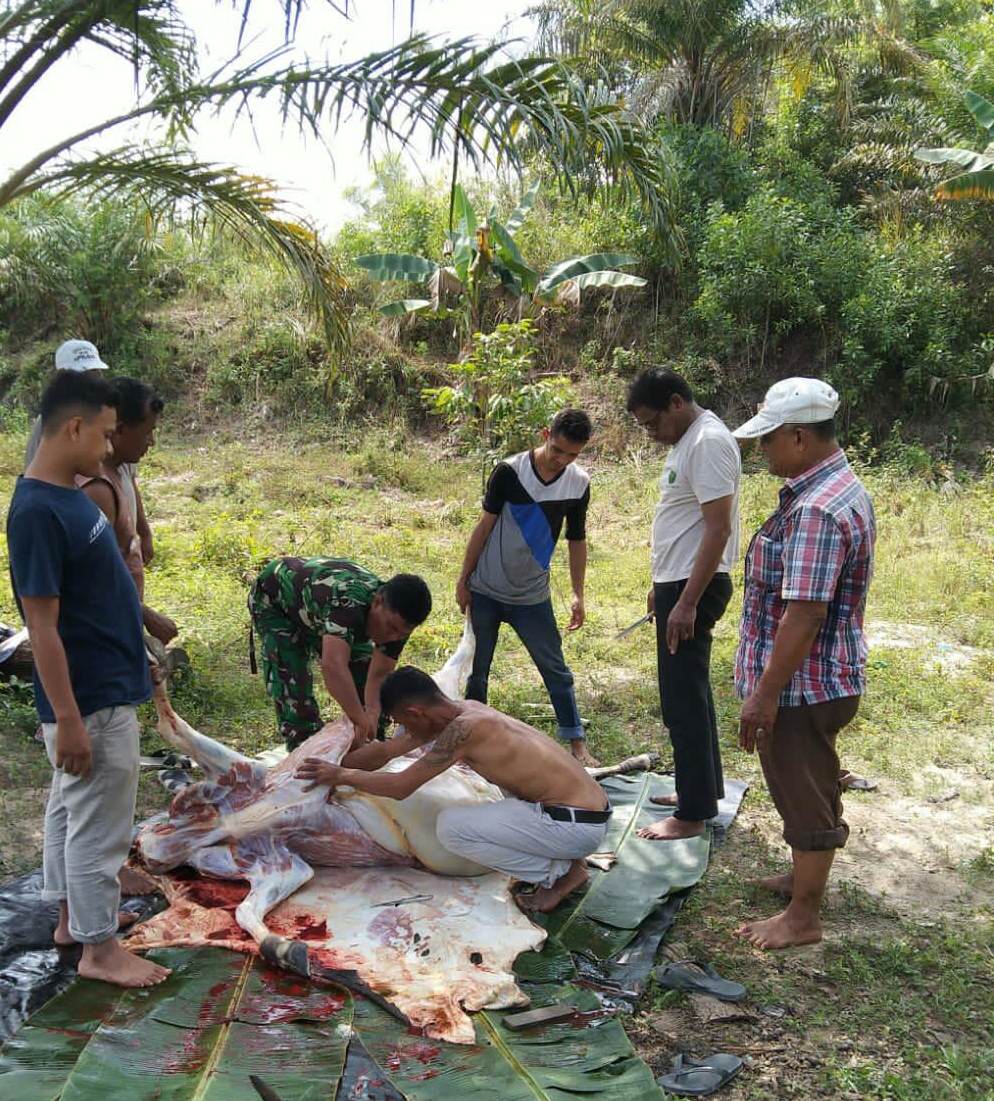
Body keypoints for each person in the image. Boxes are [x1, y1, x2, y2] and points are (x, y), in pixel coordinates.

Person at [7, 370, 170, 988]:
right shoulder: (37, 513)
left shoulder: (68, 497)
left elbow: (99, 595)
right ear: (73, 427)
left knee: (70, 809)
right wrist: (69, 718)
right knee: (100, 826)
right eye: (103, 434)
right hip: (91, 699)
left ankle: (72, 922)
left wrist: (137, 640)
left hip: (103, 683)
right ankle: (100, 950)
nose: (109, 447)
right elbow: (42, 628)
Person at [731, 377, 876, 950]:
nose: (761, 450)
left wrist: (764, 694)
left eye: (767, 439)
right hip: (822, 677)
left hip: (802, 685)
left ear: (798, 437)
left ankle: (803, 916)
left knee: (802, 788)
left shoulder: (816, 509)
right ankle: (802, 879)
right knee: (812, 777)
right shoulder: (836, 487)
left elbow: (806, 613)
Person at [296, 665, 611, 912]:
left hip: (574, 826)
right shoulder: (463, 711)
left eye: (400, 722)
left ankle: (559, 874)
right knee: (504, 792)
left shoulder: (464, 730)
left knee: (451, 829)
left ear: (415, 713)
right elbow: (386, 752)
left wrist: (342, 775)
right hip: (587, 813)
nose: (403, 731)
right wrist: (333, 759)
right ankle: (571, 861)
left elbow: (400, 786)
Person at [626, 368, 741, 841]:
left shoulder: (708, 441)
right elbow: (683, 522)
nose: (652, 433)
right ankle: (701, 788)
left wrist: (688, 601)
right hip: (678, 584)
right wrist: (663, 586)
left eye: (653, 422)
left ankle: (692, 813)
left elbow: (718, 528)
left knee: (682, 701)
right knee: (690, 693)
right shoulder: (688, 441)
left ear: (676, 402)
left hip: (695, 588)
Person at [455, 408, 596, 765]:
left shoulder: (578, 482)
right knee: (477, 670)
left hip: (532, 595)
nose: (561, 460)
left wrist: (578, 593)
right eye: (557, 450)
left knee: (555, 668)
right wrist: (463, 579)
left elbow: (576, 539)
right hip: (486, 588)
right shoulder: (509, 471)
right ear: (546, 435)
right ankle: (469, 743)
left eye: (572, 455)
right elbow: (483, 527)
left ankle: (576, 742)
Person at [249, 556, 432, 750]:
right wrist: (360, 719)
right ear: (377, 602)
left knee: (366, 681)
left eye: (402, 634)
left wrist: (371, 715)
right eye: (391, 628)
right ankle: (304, 748)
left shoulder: (397, 621)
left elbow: (379, 673)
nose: (393, 637)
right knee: (292, 678)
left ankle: (369, 742)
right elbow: (333, 667)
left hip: (319, 609)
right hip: (276, 600)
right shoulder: (347, 604)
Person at [24, 341, 157, 566]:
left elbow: (130, 478)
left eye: (95, 374)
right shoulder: (50, 425)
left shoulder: (108, 414)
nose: (109, 448)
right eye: (82, 376)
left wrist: (142, 530)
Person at [76, 377, 177, 646]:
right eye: (147, 432)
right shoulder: (98, 488)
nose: (151, 442)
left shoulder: (117, 472)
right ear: (120, 430)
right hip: (101, 634)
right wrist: (145, 615)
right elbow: (94, 575)